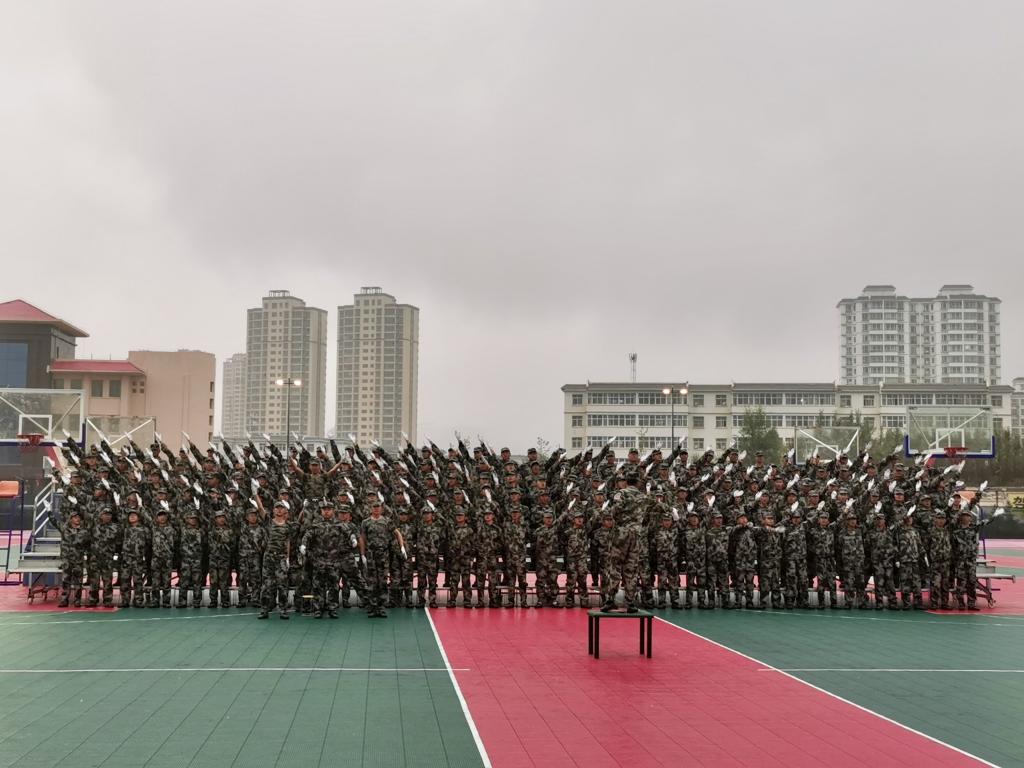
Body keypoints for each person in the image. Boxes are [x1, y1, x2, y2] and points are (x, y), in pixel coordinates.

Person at [359, 499, 406, 618]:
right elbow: (362, 538)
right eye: (374, 507)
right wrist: (362, 554)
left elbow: (397, 533)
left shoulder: (387, 521)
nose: (376, 509)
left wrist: (402, 547)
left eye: (378, 507)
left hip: (383, 555)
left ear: (381, 508)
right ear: (371, 508)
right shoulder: (366, 522)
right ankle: (373, 606)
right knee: (371, 581)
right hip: (371, 555)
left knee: (383, 581)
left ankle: (381, 607)